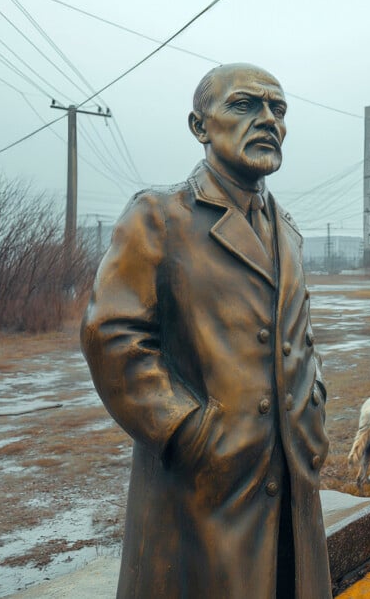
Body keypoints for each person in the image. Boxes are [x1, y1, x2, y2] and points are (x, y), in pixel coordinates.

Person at [81, 63, 331, 599]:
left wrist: (315, 405)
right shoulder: (159, 216)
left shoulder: (288, 231)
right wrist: (187, 431)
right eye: (245, 105)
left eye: (278, 109)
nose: (268, 119)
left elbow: (298, 337)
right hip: (201, 488)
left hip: (291, 479)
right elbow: (112, 334)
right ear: (200, 125)